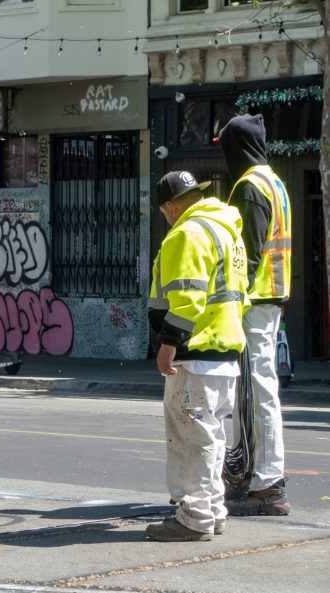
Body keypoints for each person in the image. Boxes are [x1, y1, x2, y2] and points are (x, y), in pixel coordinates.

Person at [145, 171, 249, 543]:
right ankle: (213, 510)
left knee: (191, 438)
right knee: (211, 437)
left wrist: (167, 345)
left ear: (170, 207)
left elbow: (187, 299)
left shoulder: (187, 234)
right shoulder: (225, 232)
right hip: (224, 351)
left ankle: (194, 516)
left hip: (195, 353)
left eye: (164, 212)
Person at [217, 113, 293, 517]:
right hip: (270, 299)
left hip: (253, 302)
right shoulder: (274, 180)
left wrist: (230, 301)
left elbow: (245, 255)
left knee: (256, 392)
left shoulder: (249, 186)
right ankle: (259, 477)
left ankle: (265, 483)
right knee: (259, 389)